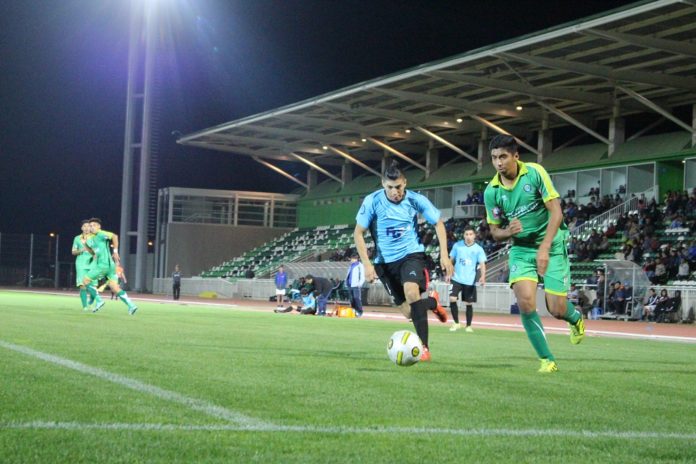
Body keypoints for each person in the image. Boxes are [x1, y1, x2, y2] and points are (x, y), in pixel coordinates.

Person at [483, 134, 585, 373]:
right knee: (526, 303)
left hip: (552, 245)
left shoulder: (535, 173)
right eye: (494, 158)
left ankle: (575, 318)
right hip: (520, 250)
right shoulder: (492, 191)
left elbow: (556, 213)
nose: (498, 162)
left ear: (515, 156)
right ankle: (547, 360)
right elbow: (494, 231)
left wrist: (545, 248)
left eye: (503, 156)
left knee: (556, 309)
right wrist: (508, 231)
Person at [354, 160, 453, 362]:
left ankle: (424, 348)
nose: (394, 192)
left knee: (411, 292)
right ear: (383, 184)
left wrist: (444, 254)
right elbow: (358, 233)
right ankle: (432, 301)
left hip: (411, 255)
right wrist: (367, 264)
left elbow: (439, 223)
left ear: (405, 183)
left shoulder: (416, 200)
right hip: (384, 263)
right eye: (390, 187)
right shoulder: (372, 201)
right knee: (409, 313)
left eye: (398, 187)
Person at [81, 218, 137, 315]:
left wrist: (115, 251)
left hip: (103, 265)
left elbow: (114, 236)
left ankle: (99, 301)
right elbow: (91, 250)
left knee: (85, 280)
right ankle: (131, 305)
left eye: (94, 225)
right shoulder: (90, 238)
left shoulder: (101, 234)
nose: (91, 227)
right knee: (114, 288)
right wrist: (86, 246)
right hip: (110, 267)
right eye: (90, 225)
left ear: (99, 226)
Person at [448, 226, 486, 332]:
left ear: (474, 236)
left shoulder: (478, 249)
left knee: (468, 303)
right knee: (452, 298)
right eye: (466, 234)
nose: (468, 236)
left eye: (470, 234)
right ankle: (456, 323)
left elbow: (482, 264)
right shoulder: (457, 246)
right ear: (463, 235)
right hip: (456, 278)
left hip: (469, 280)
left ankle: (468, 326)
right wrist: (448, 272)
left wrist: (483, 276)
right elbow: (451, 260)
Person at [71, 220, 93, 311]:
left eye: (88, 226)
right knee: (82, 285)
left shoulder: (95, 238)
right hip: (81, 263)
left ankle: (92, 301)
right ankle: (85, 306)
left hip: (92, 263)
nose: (87, 228)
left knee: (92, 285)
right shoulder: (77, 238)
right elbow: (73, 252)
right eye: (85, 226)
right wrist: (82, 250)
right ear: (81, 228)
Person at [345, 253, 366, 317]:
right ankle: (353, 311)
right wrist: (346, 282)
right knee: (351, 299)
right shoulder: (351, 265)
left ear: (355, 259)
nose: (351, 260)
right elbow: (348, 275)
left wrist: (360, 284)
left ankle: (359, 312)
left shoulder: (360, 265)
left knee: (357, 298)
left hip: (356, 285)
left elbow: (362, 276)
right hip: (350, 285)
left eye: (351, 259)